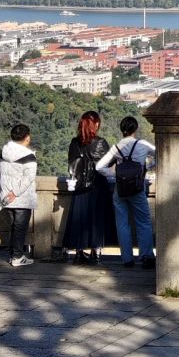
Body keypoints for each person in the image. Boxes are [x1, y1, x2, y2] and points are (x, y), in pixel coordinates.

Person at [95, 117, 156, 270]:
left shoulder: (116, 147)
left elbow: (99, 167)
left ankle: (127, 259)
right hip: (137, 188)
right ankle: (146, 256)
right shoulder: (142, 144)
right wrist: (148, 166)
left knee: (122, 223)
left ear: (122, 130)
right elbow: (161, 153)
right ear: (135, 129)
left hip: (120, 188)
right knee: (143, 222)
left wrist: (113, 174)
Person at [61, 110, 114, 264]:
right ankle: (96, 251)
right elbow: (108, 164)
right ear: (95, 124)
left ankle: (78, 252)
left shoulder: (74, 143)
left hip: (79, 187)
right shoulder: (100, 143)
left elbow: (72, 165)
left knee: (79, 220)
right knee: (97, 219)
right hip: (97, 186)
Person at [0, 123, 38, 269]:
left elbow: (2, 174)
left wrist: (8, 192)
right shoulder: (28, 156)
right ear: (27, 137)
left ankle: (14, 254)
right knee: (20, 228)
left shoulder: (4, 151)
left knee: (13, 226)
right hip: (20, 197)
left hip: (5, 195)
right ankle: (17, 256)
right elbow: (28, 179)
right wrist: (15, 193)